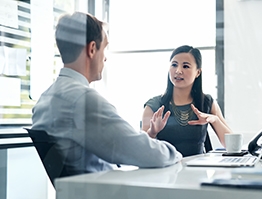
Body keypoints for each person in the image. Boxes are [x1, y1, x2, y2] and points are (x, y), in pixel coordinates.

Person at [31, 12, 182, 175]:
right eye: (105, 48)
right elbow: (146, 153)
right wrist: (178, 155)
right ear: (92, 49)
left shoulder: (44, 99)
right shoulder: (82, 99)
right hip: (103, 192)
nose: (105, 58)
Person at [142, 45, 232, 157]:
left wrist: (215, 120)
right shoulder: (153, 106)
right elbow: (141, 149)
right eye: (174, 65)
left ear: (198, 72)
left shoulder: (207, 102)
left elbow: (232, 146)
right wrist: (153, 132)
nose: (178, 71)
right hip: (164, 170)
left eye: (185, 66)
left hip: (198, 171)